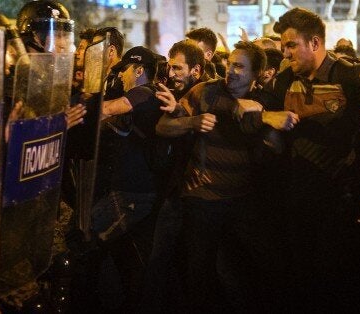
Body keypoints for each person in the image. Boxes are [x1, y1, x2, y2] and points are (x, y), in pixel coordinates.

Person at [244, 7, 360, 311]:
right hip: (297, 198)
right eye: (283, 46)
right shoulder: (285, 79)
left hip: (339, 199)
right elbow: (257, 118)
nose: (285, 53)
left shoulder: (349, 77)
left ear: (314, 43)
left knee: (337, 281)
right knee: (302, 279)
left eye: (290, 45)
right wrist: (268, 118)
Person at [156, 41, 289, 313]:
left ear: (257, 74)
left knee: (255, 268)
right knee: (200, 273)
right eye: (229, 64)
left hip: (244, 200)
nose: (230, 71)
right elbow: (162, 127)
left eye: (240, 66)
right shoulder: (205, 91)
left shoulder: (266, 101)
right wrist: (192, 122)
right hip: (203, 199)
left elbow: (276, 148)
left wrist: (266, 122)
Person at [90, 46, 167, 312]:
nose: (121, 76)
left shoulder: (143, 91)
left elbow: (110, 109)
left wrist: (76, 108)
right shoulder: (148, 94)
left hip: (133, 192)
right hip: (134, 188)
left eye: (124, 70)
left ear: (138, 70)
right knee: (127, 256)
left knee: (85, 239)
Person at [139, 40, 207, 312]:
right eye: (169, 66)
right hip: (172, 188)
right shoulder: (169, 94)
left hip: (195, 194)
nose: (171, 73)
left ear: (197, 70)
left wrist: (179, 112)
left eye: (178, 68)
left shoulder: (207, 95)